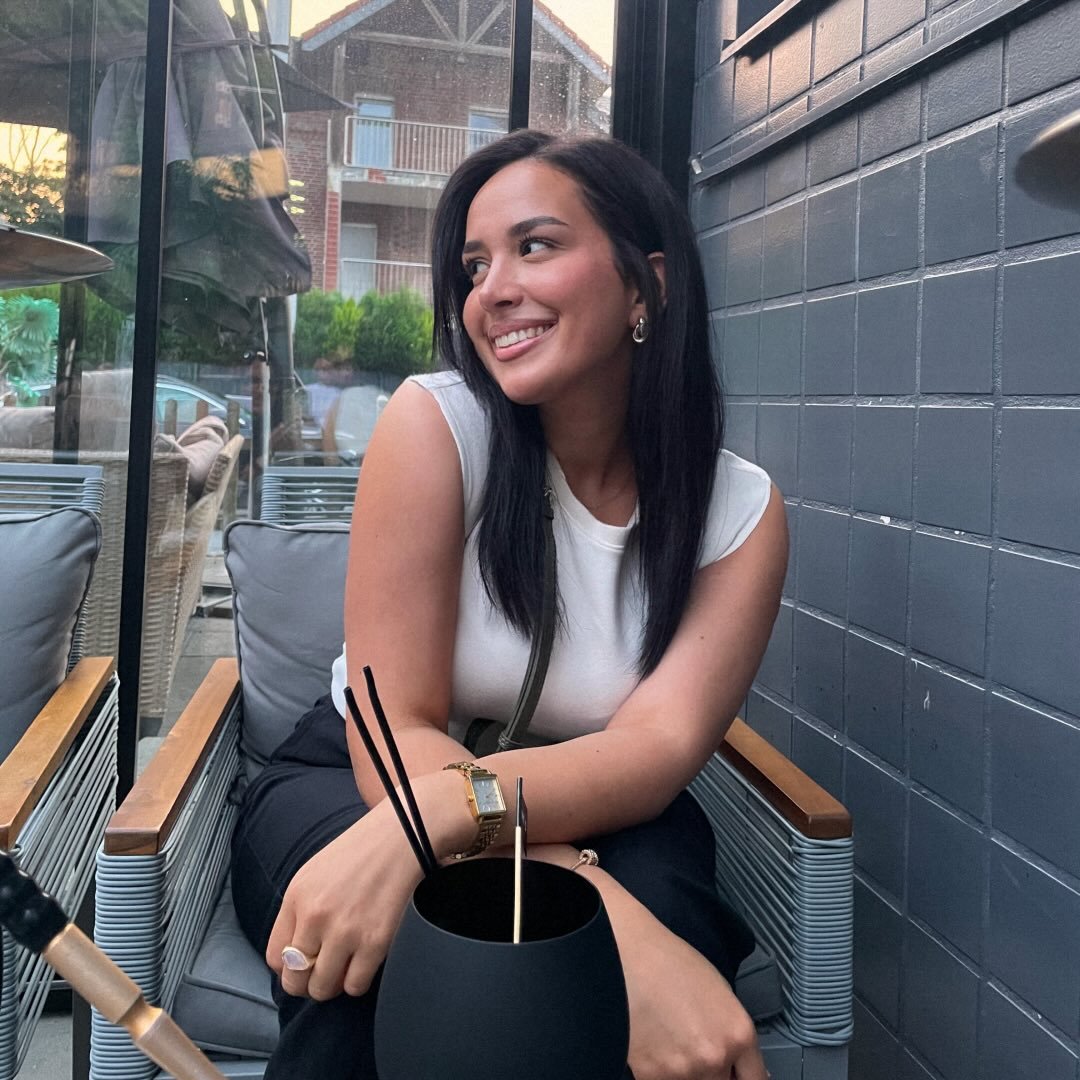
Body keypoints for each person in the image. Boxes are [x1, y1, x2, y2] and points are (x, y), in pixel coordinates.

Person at [230, 129, 788, 1080]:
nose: (491, 290)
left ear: (646, 287)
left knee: (668, 921)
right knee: (419, 949)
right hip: (363, 776)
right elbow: (393, 724)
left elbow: (654, 752)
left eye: (535, 245)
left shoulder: (737, 514)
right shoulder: (435, 424)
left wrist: (495, 835)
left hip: (601, 806)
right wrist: (579, 890)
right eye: (475, 266)